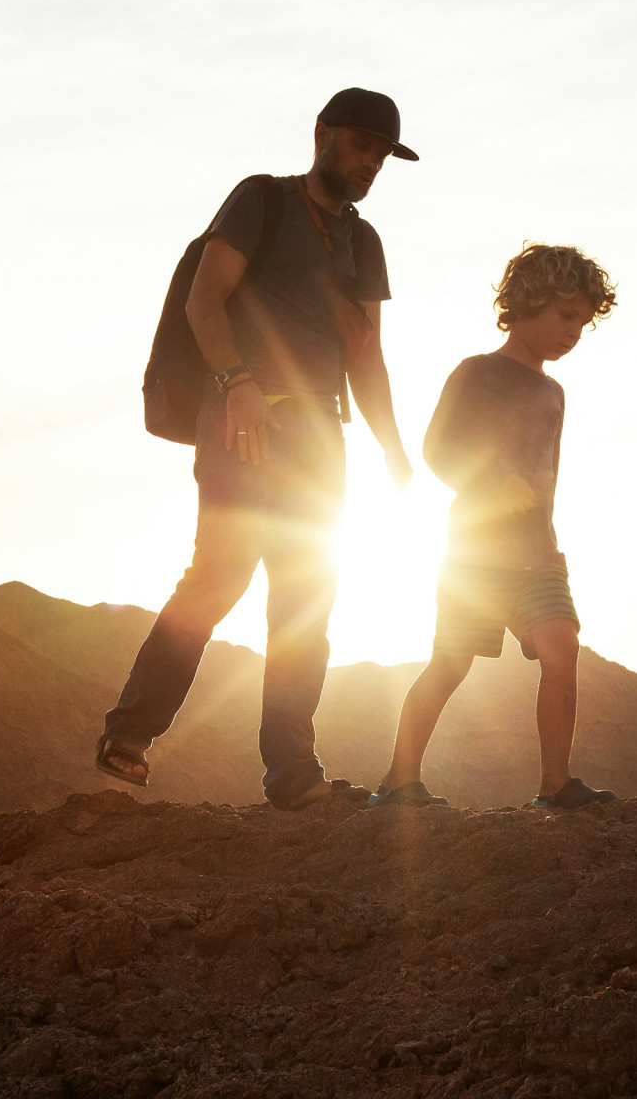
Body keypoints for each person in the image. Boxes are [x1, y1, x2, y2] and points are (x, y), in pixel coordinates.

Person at [97, 88, 416, 810]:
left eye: (382, 155)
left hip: (320, 433)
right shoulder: (262, 201)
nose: (371, 164)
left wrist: (393, 448)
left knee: (308, 596)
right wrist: (236, 382)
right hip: (242, 413)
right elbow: (203, 300)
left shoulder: (364, 244)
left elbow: (367, 357)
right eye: (361, 146)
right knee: (223, 571)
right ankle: (130, 732)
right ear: (323, 134)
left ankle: (293, 774)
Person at [370, 242, 619, 810]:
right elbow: (438, 449)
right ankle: (398, 781)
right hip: (475, 556)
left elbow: (547, 476)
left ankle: (555, 784)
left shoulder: (554, 393)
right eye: (565, 316)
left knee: (563, 648)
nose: (573, 332)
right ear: (526, 303)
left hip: (539, 555)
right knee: (450, 664)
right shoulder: (477, 373)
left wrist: (548, 538)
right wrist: (491, 482)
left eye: (582, 323)